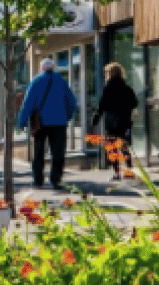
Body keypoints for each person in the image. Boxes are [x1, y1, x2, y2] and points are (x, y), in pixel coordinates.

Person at [16, 58, 78, 190]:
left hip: (41, 123)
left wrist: (21, 122)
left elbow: (27, 103)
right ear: (53, 67)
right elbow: (71, 102)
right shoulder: (61, 81)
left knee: (38, 152)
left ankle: (38, 179)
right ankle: (56, 179)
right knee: (58, 152)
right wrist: (67, 116)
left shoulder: (36, 81)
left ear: (41, 68)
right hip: (59, 123)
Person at [92, 62, 139, 181]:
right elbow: (134, 103)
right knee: (124, 146)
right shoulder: (126, 87)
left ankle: (117, 172)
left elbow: (102, 105)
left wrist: (96, 118)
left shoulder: (108, 87)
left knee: (112, 147)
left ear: (109, 73)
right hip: (124, 120)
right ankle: (129, 170)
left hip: (111, 121)